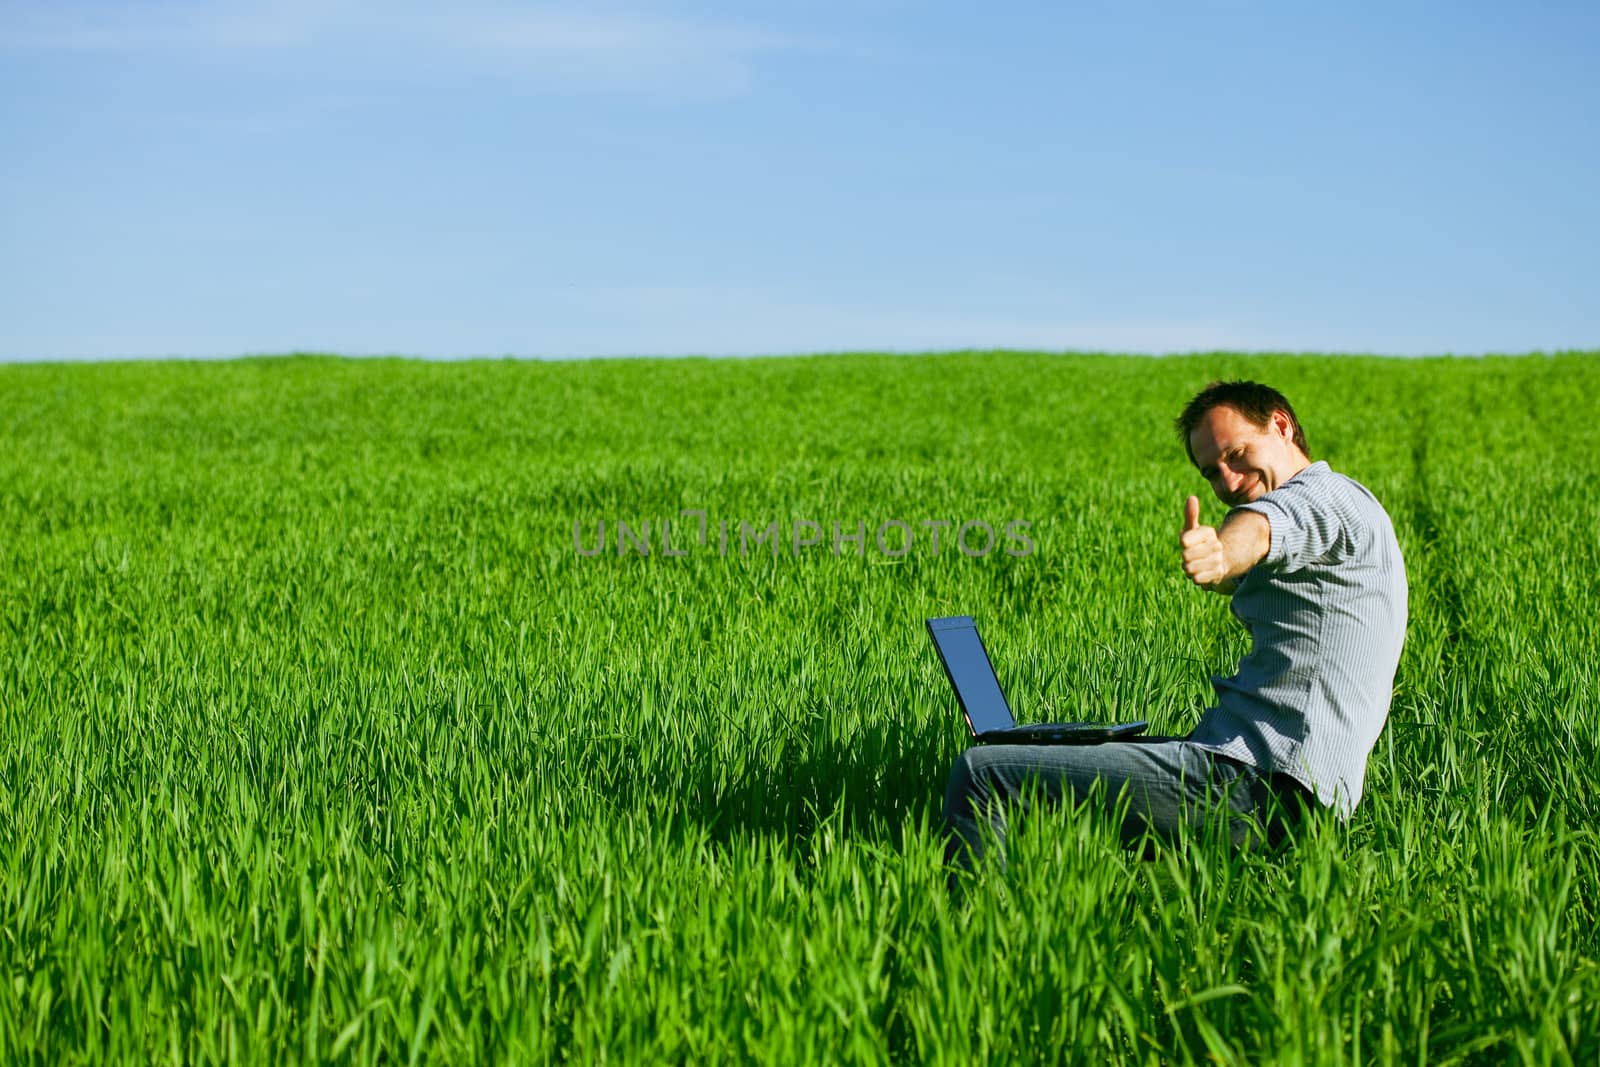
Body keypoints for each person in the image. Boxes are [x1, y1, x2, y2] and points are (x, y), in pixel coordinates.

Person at [942, 380, 1409, 871]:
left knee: (985, 773)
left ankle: (967, 941)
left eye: (1237, 454)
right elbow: (1263, 551)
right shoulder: (1349, 514)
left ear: (1281, 425)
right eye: (1212, 472)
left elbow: (1264, 528)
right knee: (1058, 756)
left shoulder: (1322, 497)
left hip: (1262, 787)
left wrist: (1222, 553)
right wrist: (1224, 570)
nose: (1228, 482)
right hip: (1274, 782)